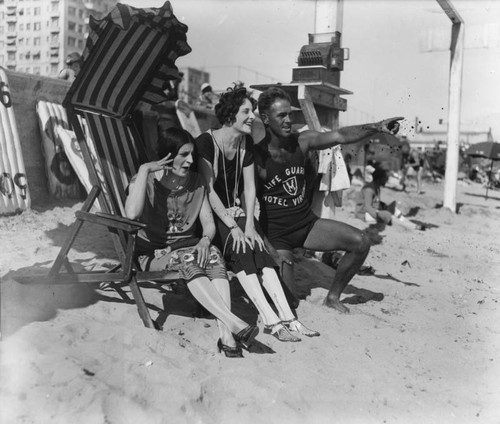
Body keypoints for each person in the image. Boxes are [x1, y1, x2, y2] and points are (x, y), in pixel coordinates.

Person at [254, 87, 403, 314]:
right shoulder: (256, 158)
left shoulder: (302, 141)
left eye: (290, 114)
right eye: (281, 115)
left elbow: (340, 135)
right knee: (289, 303)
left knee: (361, 242)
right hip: (277, 237)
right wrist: (269, 249)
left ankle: (333, 297)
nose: (288, 120)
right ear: (265, 119)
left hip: (307, 225)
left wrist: (376, 127)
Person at [196, 87, 319, 342]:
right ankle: (272, 321)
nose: (252, 116)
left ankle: (291, 320)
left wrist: (250, 225)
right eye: (246, 111)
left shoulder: (245, 144)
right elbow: (209, 191)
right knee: (242, 249)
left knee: (257, 245)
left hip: (238, 215)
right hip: (211, 217)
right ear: (230, 115)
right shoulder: (206, 143)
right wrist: (234, 226)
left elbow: (249, 188)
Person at [125, 127, 258, 358]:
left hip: (187, 249)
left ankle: (227, 336)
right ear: (168, 156)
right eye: (184, 154)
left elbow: (208, 225)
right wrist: (145, 169)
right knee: (189, 260)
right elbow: (131, 215)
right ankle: (232, 322)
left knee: (214, 253)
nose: (191, 160)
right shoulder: (143, 181)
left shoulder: (196, 183)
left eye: (192, 154)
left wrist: (206, 240)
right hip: (152, 256)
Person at [355, 164, 424, 231]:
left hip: (373, 211)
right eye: (385, 178)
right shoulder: (369, 189)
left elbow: (375, 201)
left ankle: (410, 224)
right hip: (363, 214)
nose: (386, 180)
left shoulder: (376, 187)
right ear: (379, 179)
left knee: (395, 210)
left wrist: (384, 207)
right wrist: (379, 215)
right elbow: (368, 207)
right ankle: (412, 227)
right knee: (388, 215)